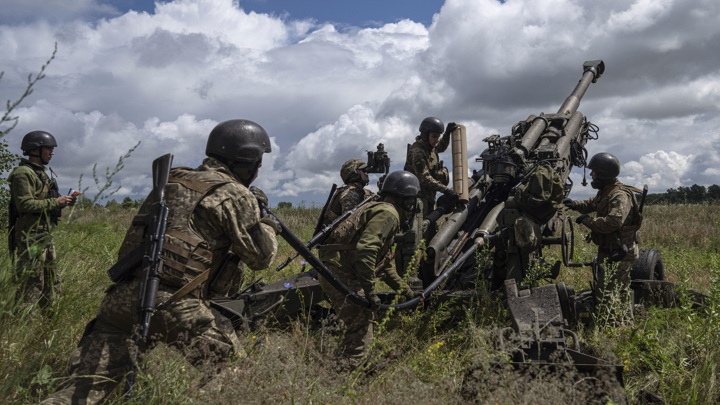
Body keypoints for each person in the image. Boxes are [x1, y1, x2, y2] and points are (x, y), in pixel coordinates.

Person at [41, 119, 279, 404]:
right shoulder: (233, 193)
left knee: (79, 392)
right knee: (234, 377)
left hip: (121, 300)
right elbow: (262, 258)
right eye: (259, 163)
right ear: (249, 161)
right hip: (176, 304)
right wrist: (267, 224)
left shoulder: (171, 181)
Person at [318, 170, 422, 370]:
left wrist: (407, 292)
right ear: (406, 201)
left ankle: (351, 363)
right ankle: (350, 371)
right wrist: (370, 293)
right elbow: (366, 250)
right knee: (361, 317)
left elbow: (385, 265)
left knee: (359, 320)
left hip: (334, 269)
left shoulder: (379, 208)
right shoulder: (388, 214)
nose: (411, 210)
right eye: (411, 204)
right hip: (341, 272)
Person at [563, 152, 642, 320]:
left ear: (603, 174)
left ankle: (612, 329)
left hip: (620, 252)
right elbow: (592, 203)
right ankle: (624, 323)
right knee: (618, 290)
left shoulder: (619, 195)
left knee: (607, 293)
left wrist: (587, 221)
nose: (591, 175)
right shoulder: (607, 192)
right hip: (611, 251)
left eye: (594, 172)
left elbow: (612, 223)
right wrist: (575, 204)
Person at [8, 130, 75, 309]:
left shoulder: (42, 173)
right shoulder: (23, 173)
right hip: (30, 238)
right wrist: (56, 201)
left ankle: (47, 325)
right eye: (49, 149)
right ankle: (22, 328)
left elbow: (45, 202)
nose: (52, 153)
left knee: (51, 282)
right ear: (35, 149)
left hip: (44, 234)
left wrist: (64, 202)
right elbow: (24, 204)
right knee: (32, 284)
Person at [404, 117, 459, 216]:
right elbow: (424, 178)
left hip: (428, 196)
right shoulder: (417, 152)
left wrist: (447, 133)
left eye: (438, 137)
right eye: (434, 136)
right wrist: (445, 190)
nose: (436, 140)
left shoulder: (430, 148)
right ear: (425, 135)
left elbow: (441, 146)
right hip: (417, 198)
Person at [321, 158, 375, 226]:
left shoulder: (363, 192)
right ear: (355, 173)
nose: (367, 173)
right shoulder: (349, 194)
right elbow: (350, 224)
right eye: (364, 171)